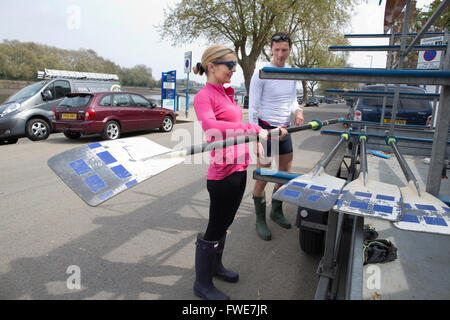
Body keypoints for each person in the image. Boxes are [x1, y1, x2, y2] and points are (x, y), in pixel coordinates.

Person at [192, 44, 287, 300]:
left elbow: (238, 126)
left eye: (235, 65)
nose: (234, 70)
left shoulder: (226, 93)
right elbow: (211, 127)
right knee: (215, 226)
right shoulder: (204, 96)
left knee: (226, 223)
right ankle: (202, 283)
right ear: (212, 66)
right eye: (230, 65)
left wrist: (262, 135)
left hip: (239, 169)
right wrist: (251, 129)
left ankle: (215, 266)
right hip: (222, 175)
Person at [249, 32, 304, 241]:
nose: (280, 54)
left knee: (284, 174)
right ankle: (260, 219)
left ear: (290, 50)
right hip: (265, 129)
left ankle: (276, 210)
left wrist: (297, 111)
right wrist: (256, 138)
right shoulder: (262, 72)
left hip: (285, 130)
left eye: (284, 50)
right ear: (271, 50)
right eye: (277, 50)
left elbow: (292, 100)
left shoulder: (292, 73)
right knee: (263, 175)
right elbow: (253, 107)